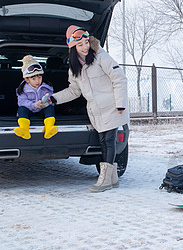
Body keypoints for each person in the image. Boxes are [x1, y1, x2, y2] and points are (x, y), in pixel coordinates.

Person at [50, 25, 129, 193]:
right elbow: (74, 91)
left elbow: (119, 78)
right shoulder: (74, 68)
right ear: (72, 48)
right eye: (80, 45)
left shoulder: (101, 57)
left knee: (109, 140)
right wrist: (54, 98)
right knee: (103, 141)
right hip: (96, 110)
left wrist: (120, 103)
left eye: (86, 42)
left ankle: (106, 179)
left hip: (113, 106)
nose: (85, 47)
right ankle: (113, 179)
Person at [14, 55, 58, 140]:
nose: (37, 81)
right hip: (30, 109)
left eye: (39, 77)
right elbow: (22, 102)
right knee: (21, 110)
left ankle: (49, 128)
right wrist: (34, 105)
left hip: (42, 109)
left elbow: (51, 99)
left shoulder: (46, 87)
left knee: (50, 109)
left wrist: (46, 101)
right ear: (27, 79)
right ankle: (24, 130)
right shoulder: (22, 89)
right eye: (33, 79)